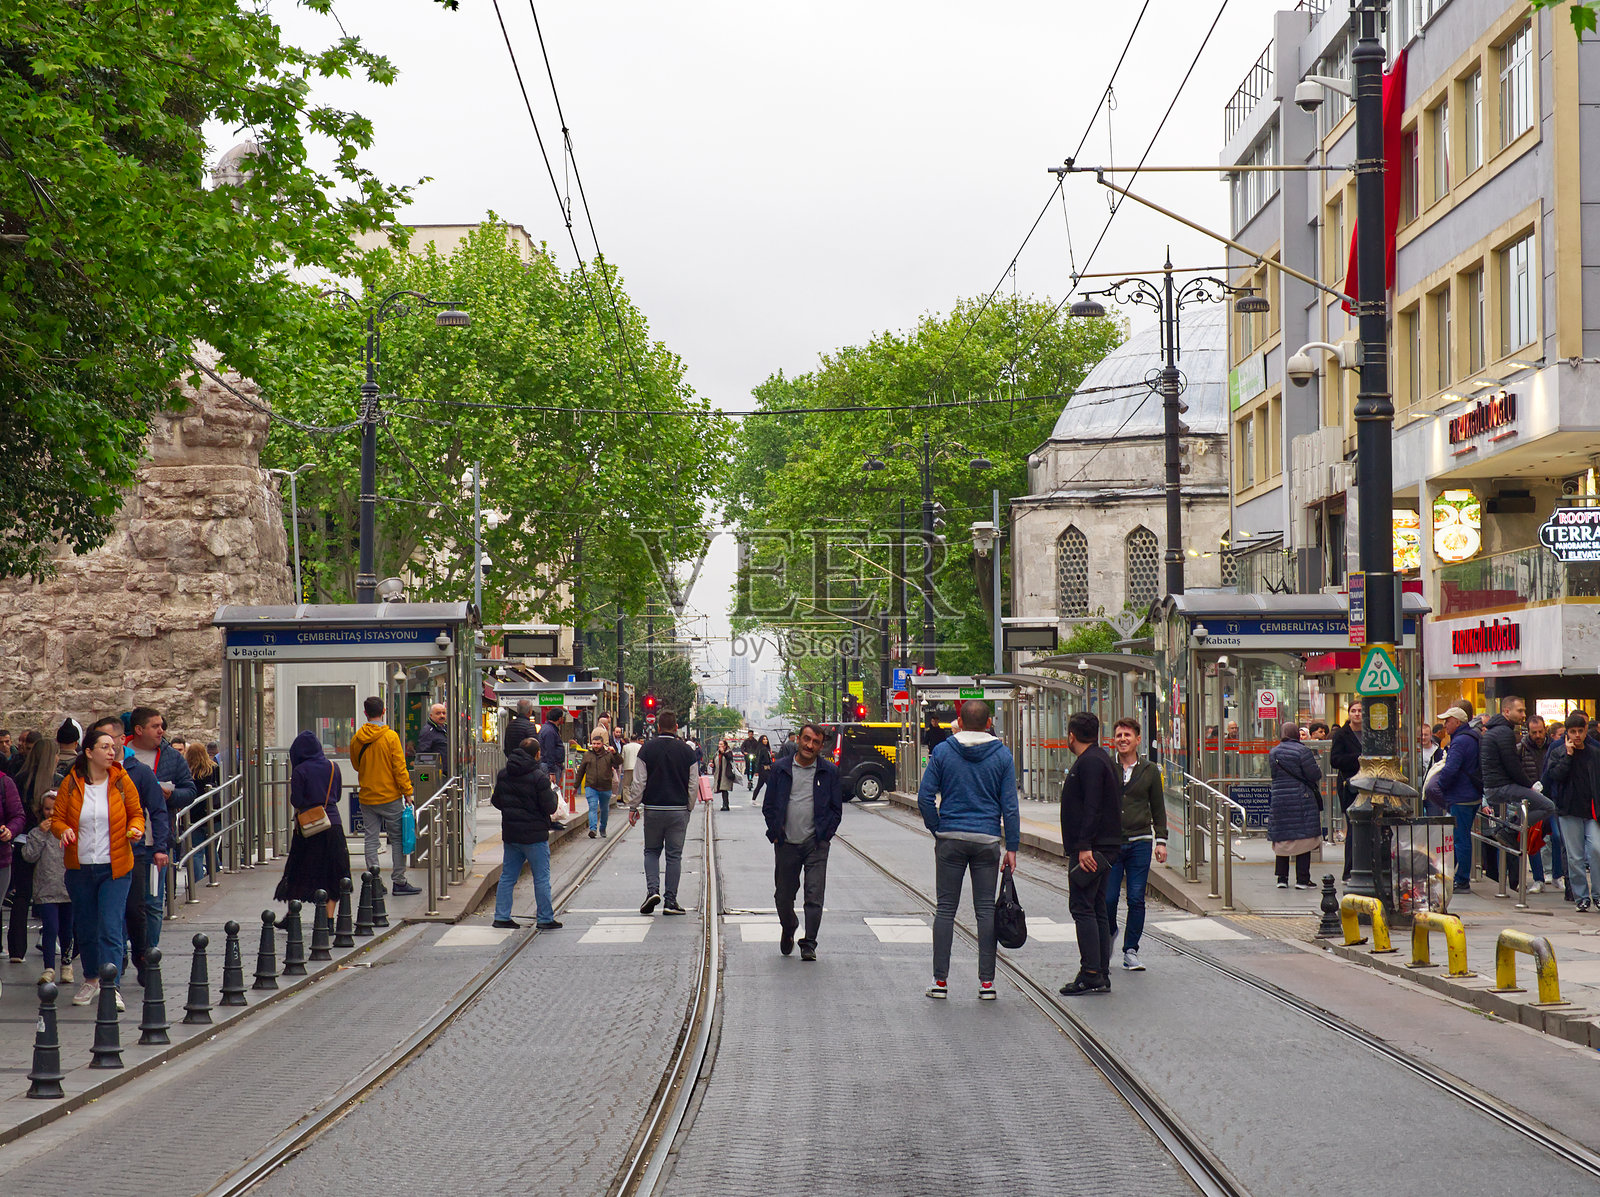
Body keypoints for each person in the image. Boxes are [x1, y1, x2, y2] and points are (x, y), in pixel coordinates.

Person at [916, 700, 1018, 1000]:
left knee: (945, 909)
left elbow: (924, 798)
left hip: (950, 837)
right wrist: (1011, 846)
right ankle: (987, 984)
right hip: (986, 839)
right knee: (985, 911)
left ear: (959, 721)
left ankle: (940, 981)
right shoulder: (1002, 754)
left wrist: (939, 828)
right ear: (989, 723)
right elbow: (1010, 807)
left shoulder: (944, 751)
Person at [51, 725, 144, 1007]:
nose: (111, 751)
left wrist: (136, 829)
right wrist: (63, 830)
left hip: (115, 867)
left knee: (111, 926)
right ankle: (91, 979)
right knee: (87, 927)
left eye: (112, 746)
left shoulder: (121, 780)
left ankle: (111, 984)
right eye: (104, 747)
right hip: (80, 868)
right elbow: (57, 820)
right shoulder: (71, 783)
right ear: (88, 752)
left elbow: (136, 814)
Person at [761, 721, 843, 961]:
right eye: (807, 739)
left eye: (816, 742)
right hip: (786, 842)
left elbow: (836, 810)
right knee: (783, 895)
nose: (810, 745)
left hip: (815, 843)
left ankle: (809, 943)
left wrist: (825, 835)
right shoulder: (781, 769)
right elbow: (769, 805)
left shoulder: (829, 772)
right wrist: (775, 831)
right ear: (798, 739)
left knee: (814, 894)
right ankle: (789, 926)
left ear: (821, 746)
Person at [1058, 712, 1122, 996]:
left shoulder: (1091, 763)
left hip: (1092, 848)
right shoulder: (1100, 758)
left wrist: (1084, 846)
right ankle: (1100, 971)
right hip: (1101, 846)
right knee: (1096, 907)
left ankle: (1091, 972)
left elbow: (1092, 806)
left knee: (1082, 907)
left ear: (1071, 735)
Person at [125, 707, 194, 956]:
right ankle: (121, 955)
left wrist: (171, 795)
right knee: (126, 903)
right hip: (126, 842)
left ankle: (149, 955)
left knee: (154, 902)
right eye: (155, 726)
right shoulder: (121, 755)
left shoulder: (171, 757)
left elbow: (190, 791)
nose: (161, 731)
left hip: (157, 840)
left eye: (161, 726)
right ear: (139, 730)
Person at [1106, 717, 1167, 972]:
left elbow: (1158, 806)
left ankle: (1130, 950)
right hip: (1111, 843)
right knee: (1108, 899)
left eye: (1127, 735)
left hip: (1140, 841)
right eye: (1119, 735)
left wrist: (1161, 840)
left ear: (1137, 739)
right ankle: (1110, 932)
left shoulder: (1150, 770)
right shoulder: (1107, 767)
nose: (1122, 739)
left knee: (1135, 898)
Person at [628, 708, 700, 917]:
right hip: (678, 810)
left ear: (658, 727)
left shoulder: (647, 749)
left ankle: (652, 891)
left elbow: (639, 782)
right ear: (676, 727)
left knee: (651, 851)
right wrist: (688, 806)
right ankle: (670, 900)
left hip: (653, 809)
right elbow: (693, 784)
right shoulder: (688, 752)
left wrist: (633, 806)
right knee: (674, 856)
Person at [276, 731, 351, 922]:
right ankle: (329, 920)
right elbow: (338, 795)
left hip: (308, 828)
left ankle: (292, 915)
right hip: (332, 824)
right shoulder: (333, 767)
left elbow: (297, 800)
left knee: (299, 869)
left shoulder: (300, 771)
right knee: (334, 871)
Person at [350, 697, 419, 896]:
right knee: (397, 839)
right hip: (390, 797)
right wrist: (407, 792)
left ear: (365, 713)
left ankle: (374, 881)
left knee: (371, 839)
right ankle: (399, 881)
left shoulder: (357, 738)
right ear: (384, 711)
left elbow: (356, 765)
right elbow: (399, 768)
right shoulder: (390, 737)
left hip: (367, 797)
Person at [490, 738, 562, 930]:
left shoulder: (504, 774)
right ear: (537, 754)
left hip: (512, 834)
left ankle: (502, 916)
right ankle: (545, 918)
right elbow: (550, 806)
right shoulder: (538, 777)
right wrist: (553, 794)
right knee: (541, 877)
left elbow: (496, 800)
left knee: (507, 876)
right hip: (534, 835)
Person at [1480, 696, 1558, 844]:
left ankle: (1509, 828)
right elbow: (1512, 765)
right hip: (1501, 787)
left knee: (1543, 807)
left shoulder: (1495, 731)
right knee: (1549, 806)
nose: (1523, 715)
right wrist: (1530, 785)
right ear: (1507, 711)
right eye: (1520, 711)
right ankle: (1510, 829)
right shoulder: (1504, 732)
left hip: (1495, 786)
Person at [9, 737, 57, 965]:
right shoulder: (56, 781)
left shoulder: (18, 779)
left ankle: (16, 949)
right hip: (48, 841)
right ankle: (51, 941)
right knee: (52, 896)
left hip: (21, 839)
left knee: (21, 895)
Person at [1546, 712, 1600, 912]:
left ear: (1586, 731)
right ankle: (1581, 897)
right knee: (1575, 856)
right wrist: (1568, 756)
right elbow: (1555, 776)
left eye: (1580, 731)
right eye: (1573, 732)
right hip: (1568, 810)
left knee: (1596, 850)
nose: (1577, 735)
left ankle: (1597, 894)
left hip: (1591, 810)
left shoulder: (1594, 753)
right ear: (1567, 733)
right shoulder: (1558, 752)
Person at [1430, 704, 1482, 893]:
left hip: (1461, 796)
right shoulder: (1472, 737)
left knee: (1460, 839)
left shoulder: (1460, 741)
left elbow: (1451, 769)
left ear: (1457, 722)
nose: (1445, 725)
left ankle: (1462, 880)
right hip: (1470, 794)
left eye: (1448, 721)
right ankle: (1454, 875)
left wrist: (1441, 786)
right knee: (1460, 836)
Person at [21, 787, 72, 984]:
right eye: (47, 809)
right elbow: (28, 855)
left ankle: (66, 965)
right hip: (46, 889)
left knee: (67, 930)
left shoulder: (70, 831)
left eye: (55, 809)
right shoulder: (36, 833)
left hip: (68, 888)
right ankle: (49, 967)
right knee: (50, 928)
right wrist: (41, 835)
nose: (51, 813)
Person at [1267, 721, 1322, 890]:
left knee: (1282, 836)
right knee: (1303, 837)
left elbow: (1274, 775)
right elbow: (1314, 774)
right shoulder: (1303, 751)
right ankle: (1302, 879)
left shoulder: (1273, 752)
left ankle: (1282, 878)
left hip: (1280, 798)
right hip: (1301, 797)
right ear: (1296, 734)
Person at [1518, 715, 1564, 895]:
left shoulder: (1552, 747)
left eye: (1540, 731)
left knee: (1558, 837)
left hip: (1552, 798)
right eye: (1533, 732)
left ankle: (1557, 875)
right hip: (1532, 798)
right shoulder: (1521, 749)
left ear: (1546, 730)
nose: (1537, 735)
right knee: (1533, 839)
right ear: (1528, 732)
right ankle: (1538, 878)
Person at [1329, 701, 1363, 880]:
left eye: (1360, 711)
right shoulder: (1342, 734)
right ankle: (1349, 870)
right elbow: (1334, 760)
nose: (1357, 714)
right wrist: (1359, 759)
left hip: (1369, 785)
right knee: (1353, 826)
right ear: (1348, 713)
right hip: (1350, 785)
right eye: (1353, 711)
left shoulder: (1371, 733)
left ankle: (1367, 865)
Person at [574, 730, 622, 839]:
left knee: (604, 809)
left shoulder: (609, 755)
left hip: (605, 787)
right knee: (592, 807)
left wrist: (615, 753)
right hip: (591, 786)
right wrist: (575, 786)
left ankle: (603, 828)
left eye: (598, 744)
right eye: (594, 743)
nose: (596, 746)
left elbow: (619, 762)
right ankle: (593, 829)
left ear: (602, 744)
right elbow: (581, 771)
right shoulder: (587, 755)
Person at [183, 741, 217, 882]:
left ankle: (197, 881)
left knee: (195, 851)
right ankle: (215, 875)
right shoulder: (213, 769)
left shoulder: (186, 770)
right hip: (211, 814)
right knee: (211, 848)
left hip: (193, 815)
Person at [539, 707, 568, 781]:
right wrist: (552, 772)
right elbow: (549, 750)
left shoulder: (548, 729)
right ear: (559, 718)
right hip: (550, 766)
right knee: (552, 789)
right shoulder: (550, 731)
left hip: (549, 765)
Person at [712, 740, 737, 812]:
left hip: (726, 773)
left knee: (724, 789)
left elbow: (730, 758)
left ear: (725, 746)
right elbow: (715, 761)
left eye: (721, 744)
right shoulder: (717, 753)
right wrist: (713, 765)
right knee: (722, 789)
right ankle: (724, 804)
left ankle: (726, 805)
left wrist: (723, 753)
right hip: (719, 773)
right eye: (719, 744)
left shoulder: (728, 752)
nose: (719, 745)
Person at [620, 734, 642, 808]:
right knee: (636, 785)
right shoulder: (640, 747)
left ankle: (627, 802)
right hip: (637, 767)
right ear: (637, 739)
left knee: (626, 785)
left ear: (630, 739)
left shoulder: (625, 747)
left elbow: (622, 757)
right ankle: (636, 802)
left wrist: (622, 767)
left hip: (628, 767)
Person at [751, 735, 773, 803]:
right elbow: (758, 760)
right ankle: (770, 800)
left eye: (766, 739)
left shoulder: (765, 749)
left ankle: (753, 800)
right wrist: (756, 771)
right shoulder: (762, 749)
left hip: (766, 769)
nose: (765, 740)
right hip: (764, 769)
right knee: (770, 785)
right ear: (761, 741)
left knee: (759, 785)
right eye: (764, 739)